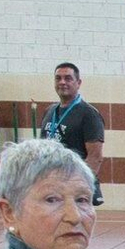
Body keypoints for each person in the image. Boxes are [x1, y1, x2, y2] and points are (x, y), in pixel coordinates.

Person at [41, 62, 105, 206]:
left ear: (78, 83)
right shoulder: (49, 111)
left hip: (73, 187)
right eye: (58, 78)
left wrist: (79, 186)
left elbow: (95, 156)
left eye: (68, 78)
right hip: (51, 185)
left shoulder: (88, 114)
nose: (62, 82)